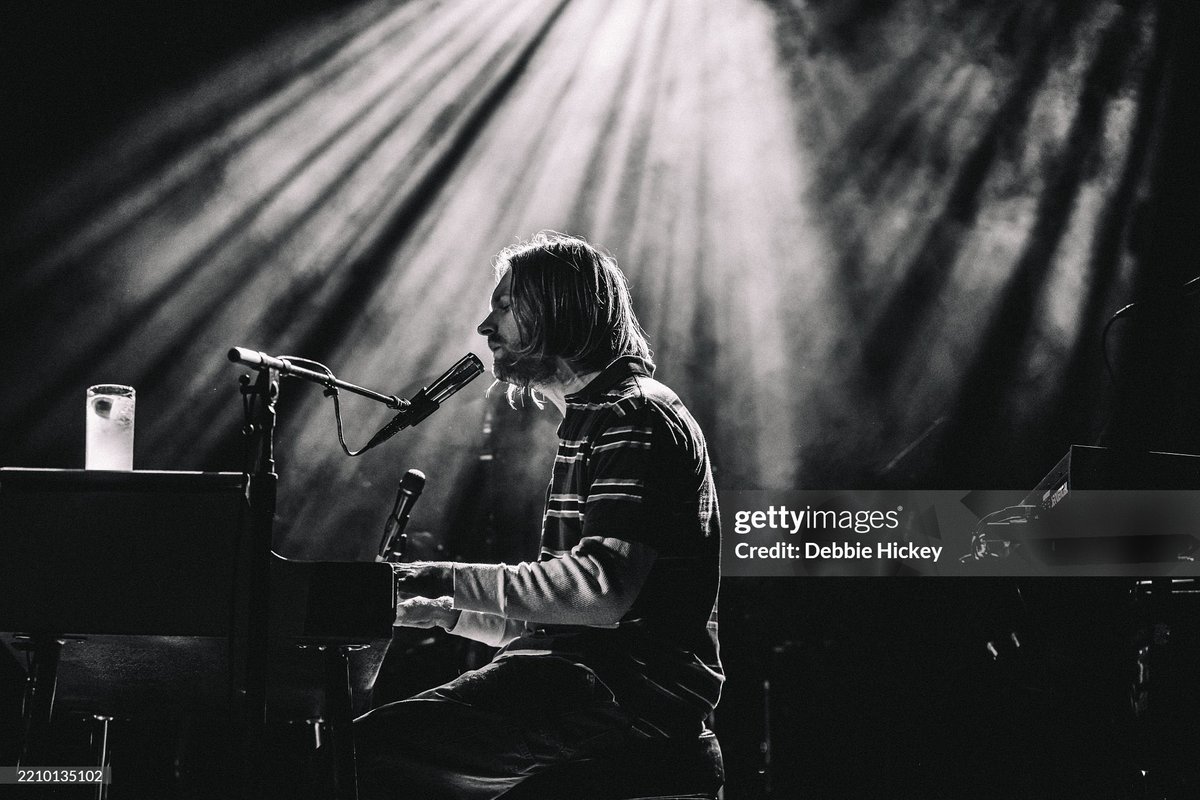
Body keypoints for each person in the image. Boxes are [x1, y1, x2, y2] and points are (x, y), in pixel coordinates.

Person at [354, 231, 723, 799]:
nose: (485, 327)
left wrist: (438, 576)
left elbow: (600, 593)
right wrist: (446, 613)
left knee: (353, 758)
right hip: (594, 684)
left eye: (504, 306)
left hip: (610, 691)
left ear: (558, 309)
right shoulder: (596, 418)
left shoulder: (632, 415)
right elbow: (571, 616)